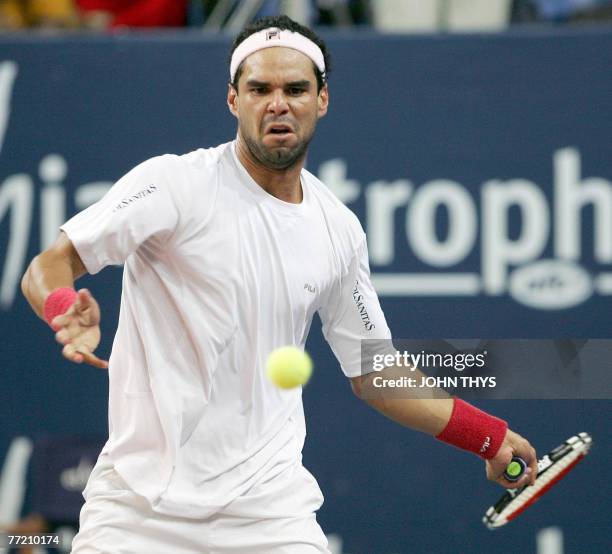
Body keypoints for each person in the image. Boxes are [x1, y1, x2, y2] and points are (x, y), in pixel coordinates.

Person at [21, 15, 537, 554]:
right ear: (232, 100)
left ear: (322, 100)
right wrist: (62, 306)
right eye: (259, 89)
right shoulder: (171, 185)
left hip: (271, 517)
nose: (278, 103)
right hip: (137, 513)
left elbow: (375, 372)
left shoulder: (338, 229)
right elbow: (49, 265)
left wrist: (487, 435)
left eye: (295, 89)